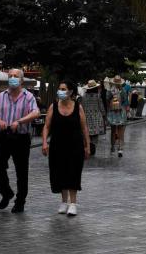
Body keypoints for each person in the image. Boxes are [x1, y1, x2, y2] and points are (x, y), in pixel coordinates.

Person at [0, 69, 40, 213]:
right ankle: (6, 193)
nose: (12, 78)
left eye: (16, 76)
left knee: (21, 171)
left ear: (21, 80)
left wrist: (20, 121)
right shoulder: (1, 96)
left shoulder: (28, 96)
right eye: (10, 76)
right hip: (3, 136)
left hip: (21, 138)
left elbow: (36, 112)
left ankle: (20, 201)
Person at [41, 81, 91, 216]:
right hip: (57, 145)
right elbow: (46, 126)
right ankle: (64, 201)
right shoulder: (53, 106)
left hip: (75, 145)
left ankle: (73, 203)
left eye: (63, 89)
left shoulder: (78, 107)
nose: (60, 91)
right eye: (59, 89)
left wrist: (87, 145)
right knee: (59, 172)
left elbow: (84, 127)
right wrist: (44, 142)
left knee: (73, 172)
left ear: (70, 92)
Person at [81, 80, 106, 155]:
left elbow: (82, 106)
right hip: (96, 117)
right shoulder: (98, 96)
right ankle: (92, 149)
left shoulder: (84, 96)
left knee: (87, 133)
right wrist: (104, 115)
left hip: (86, 117)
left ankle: (86, 147)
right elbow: (101, 107)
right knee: (94, 135)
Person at [107, 75, 129, 157]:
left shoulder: (110, 90)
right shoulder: (122, 90)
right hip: (121, 112)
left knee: (113, 131)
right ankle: (120, 148)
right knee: (121, 132)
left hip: (112, 112)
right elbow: (125, 100)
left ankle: (113, 147)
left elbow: (107, 99)